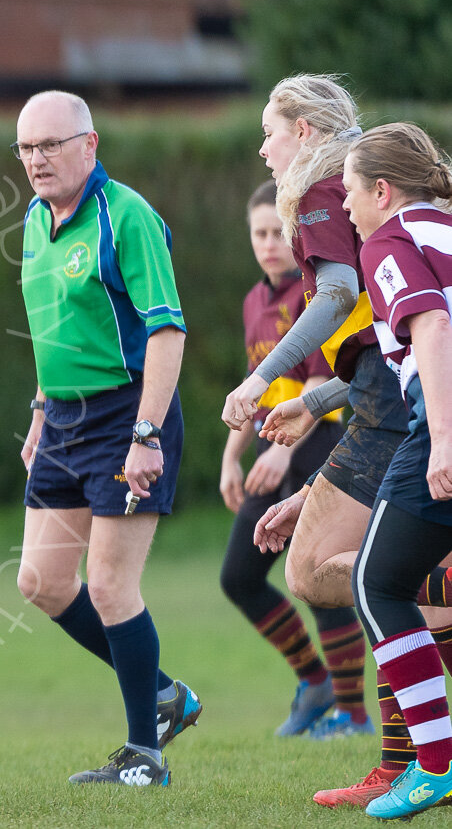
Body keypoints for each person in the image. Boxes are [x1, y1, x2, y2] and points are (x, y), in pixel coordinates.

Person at [234, 75, 452, 808]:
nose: (262, 147)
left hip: (412, 415)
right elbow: (389, 341)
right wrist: (321, 399)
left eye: (269, 130)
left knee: (340, 576)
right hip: (387, 402)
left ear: (304, 131)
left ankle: (420, 760)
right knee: (373, 580)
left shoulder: (335, 195)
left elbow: (368, 311)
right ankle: (407, 760)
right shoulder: (416, 220)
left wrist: (263, 380)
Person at [11, 90, 199, 787]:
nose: (37, 160)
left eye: (51, 145)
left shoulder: (127, 216)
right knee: (43, 582)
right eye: (27, 148)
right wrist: (38, 414)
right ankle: (166, 696)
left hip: (127, 417)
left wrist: (146, 433)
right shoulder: (33, 220)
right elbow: (48, 329)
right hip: (62, 423)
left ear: (90, 145)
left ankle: (144, 754)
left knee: (112, 585)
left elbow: (168, 330)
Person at [218, 181, 366, 739]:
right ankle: (314, 681)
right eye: (258, 233)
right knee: (239, 575)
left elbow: (321, 376)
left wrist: (284, 456)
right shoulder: (254, 302)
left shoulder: (316, 289)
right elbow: (259, 392)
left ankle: (351, 714)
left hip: (315, 444)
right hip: (268, 449)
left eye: (278, 231)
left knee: (318, 574)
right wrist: (234, 457)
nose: (269, 243)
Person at [334, 121, 452, 819]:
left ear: (381, 190)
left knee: (378, 584)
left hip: (441, 423)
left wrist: (442, 438)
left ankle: (434, 766)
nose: (346, 207)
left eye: (350, 190)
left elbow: (432, 327)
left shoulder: (389, 240)